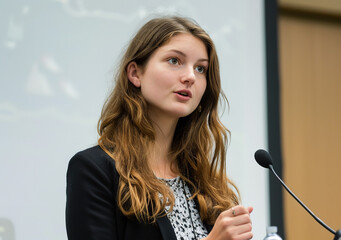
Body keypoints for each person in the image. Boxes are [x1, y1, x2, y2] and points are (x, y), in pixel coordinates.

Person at [66, 16, 253, 240]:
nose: (190, 77)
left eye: (201, 68)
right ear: (135, 73)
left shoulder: (207, 183)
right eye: (174, 61)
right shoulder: (94, 170)